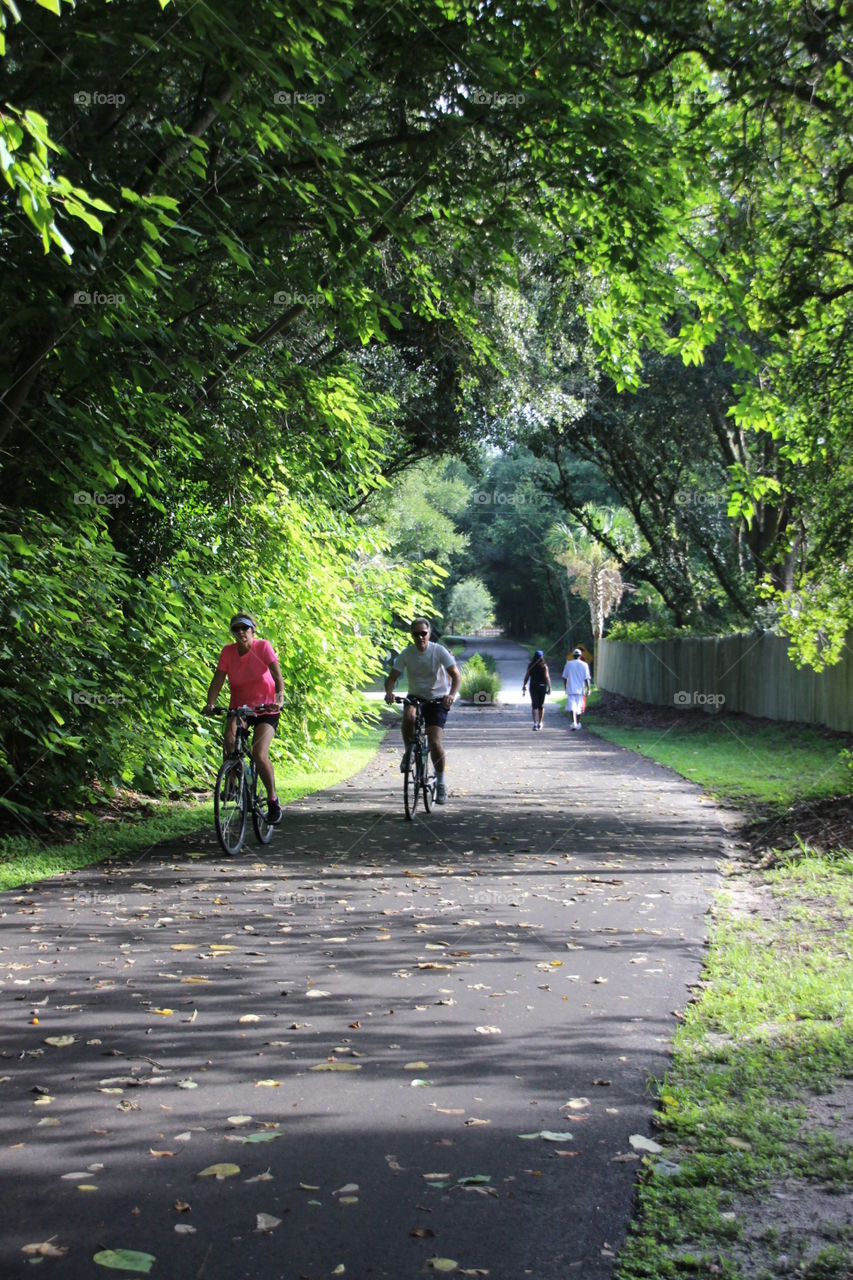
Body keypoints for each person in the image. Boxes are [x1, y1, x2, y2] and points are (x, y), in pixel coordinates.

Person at [204, 612, 285, 823]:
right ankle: (234, 781)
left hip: (266, 709)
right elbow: (218, 679)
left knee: (259, 753)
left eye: (245, 628)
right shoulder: (228, 652)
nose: (241, 632)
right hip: (240, 708)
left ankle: (272, 800)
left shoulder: (263, 647)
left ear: (252, 631)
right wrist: (210, 702)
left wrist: (279, 699)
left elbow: (277, 676)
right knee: (229, 740)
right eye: (236, 629)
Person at [384, 618, 460, 805]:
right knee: (409, 716)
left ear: (429, 633)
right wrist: (389, 692)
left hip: (437, 699)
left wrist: (451, 695)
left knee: (434, 742)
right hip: (416, 697)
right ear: (412, 635)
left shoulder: (438, 651)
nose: (420, 637)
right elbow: (392, 678)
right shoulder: (407, 654)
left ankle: (441, 783)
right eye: (416, 634)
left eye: (423, 633)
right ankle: (409, 751)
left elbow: (455, 675)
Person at [562, 647, 592, 731]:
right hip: (580, 690)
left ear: (573, 655)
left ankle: (574, 722)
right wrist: (589, 689)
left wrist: (565, 687)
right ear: (580, 656)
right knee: (579, 707)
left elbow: (564, 677)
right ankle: (577, 722)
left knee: (572, 707)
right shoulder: (584, 665)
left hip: (571, 689)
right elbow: (587, 678)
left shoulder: (568, 664)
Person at [522, 649, 551, 731]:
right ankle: (540, 723)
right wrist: (550, 687)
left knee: (534, 705)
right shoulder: (544, 666)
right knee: (541, 705)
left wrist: (524, 685)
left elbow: (527, 676)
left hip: (533, 686)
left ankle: (535, 723)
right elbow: (547, 677)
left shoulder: (531, 665)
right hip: (542, 687)